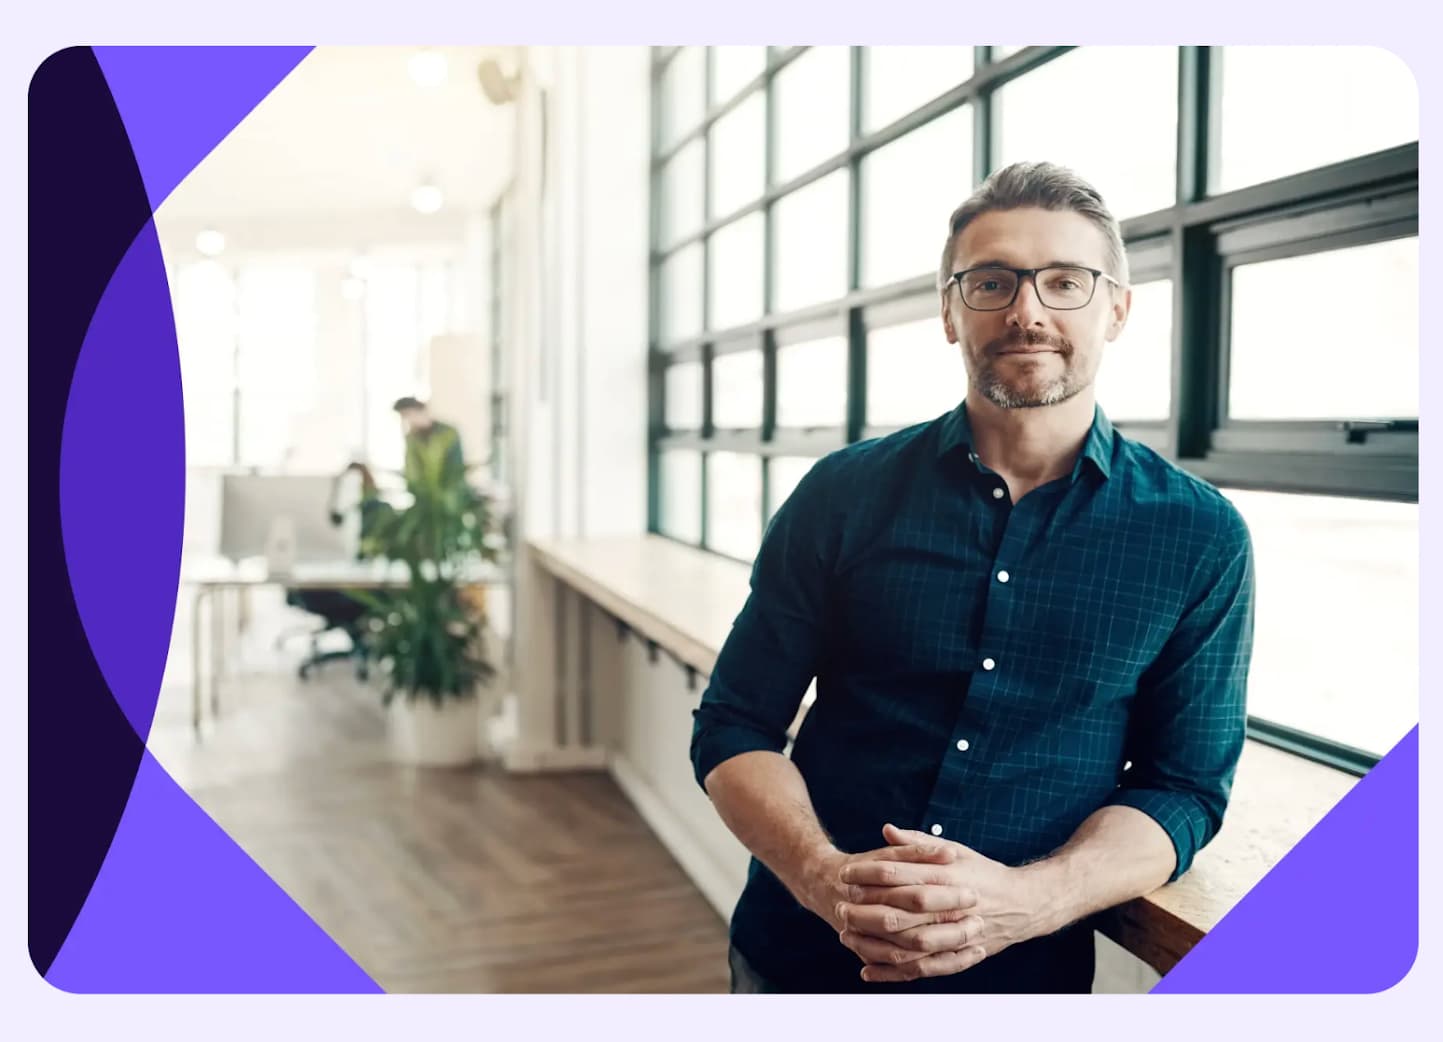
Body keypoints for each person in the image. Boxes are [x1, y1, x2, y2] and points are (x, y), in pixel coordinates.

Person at [689, 161, 1255, 994]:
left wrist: (1025, 902)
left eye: (1064, 281)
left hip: (1021, 978)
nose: (1026, 311)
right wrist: (820, 877)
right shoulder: (840, 495)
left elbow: (1184, 788)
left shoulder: (1199, 536)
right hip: (800, 955)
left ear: (1117, 310)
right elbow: (734, 723)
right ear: (950, 313)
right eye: (991, 282)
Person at [392, 396, 466, 490]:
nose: (407, 420)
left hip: (450, 492)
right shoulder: (411, 438)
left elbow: (456, 466)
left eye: (407, 414)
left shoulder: (448, 432)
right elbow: (411, 470)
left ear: (419, 410)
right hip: (425, 496)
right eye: (403, 417)